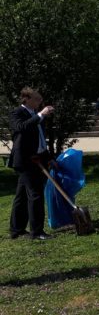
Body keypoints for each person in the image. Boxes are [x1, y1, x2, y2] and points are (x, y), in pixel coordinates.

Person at [8, 88, 55, 240]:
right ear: (26, 99)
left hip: (37, 158)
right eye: (36, 99)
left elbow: (40, 139)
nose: (39, 102)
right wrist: (41, 114)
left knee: (21, 196)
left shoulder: (35, 115)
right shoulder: (17, 113)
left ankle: (17, 229)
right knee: (36, 195)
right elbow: (21, 128)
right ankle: (37, 231)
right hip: (25, 160)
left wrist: (48, 157)